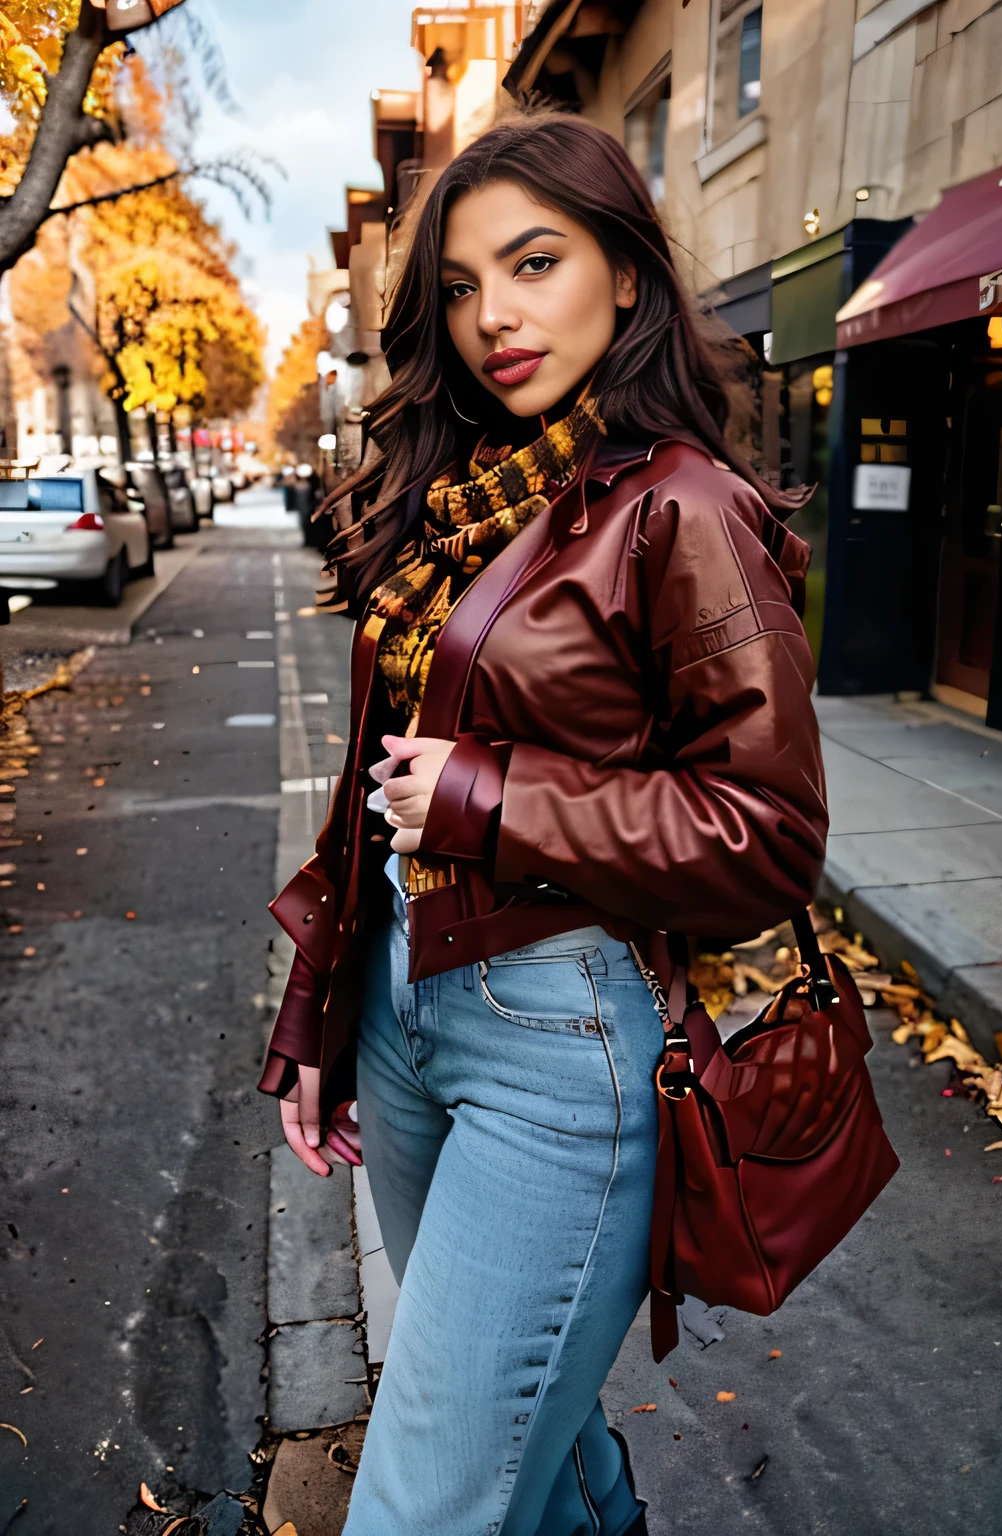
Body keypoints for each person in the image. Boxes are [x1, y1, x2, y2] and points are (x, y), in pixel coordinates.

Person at [258, 113, 828, 1535]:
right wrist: (318, 1008)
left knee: (427, 1497)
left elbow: (768, 832)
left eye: (533, 262)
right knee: (543, 1435)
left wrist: (485, 794)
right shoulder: (448, 504)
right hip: (399, 1003)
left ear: (624, 275)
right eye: (458, 285)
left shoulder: (682, 510)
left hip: (557, 1037)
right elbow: (366, 780)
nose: (492, 316)